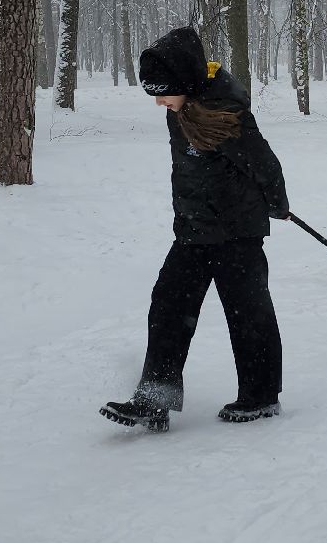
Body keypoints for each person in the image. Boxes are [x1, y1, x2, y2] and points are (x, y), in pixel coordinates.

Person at [101, 27, 290, 433]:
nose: (158, 102)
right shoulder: (181, 109)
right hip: (193, 229)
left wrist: (277, 204)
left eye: (163, 92)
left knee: (247, 312)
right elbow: (188, 174)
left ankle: (260, 395)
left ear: (186, 83)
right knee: (169, 304)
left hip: (237, 230)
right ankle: (156, 396)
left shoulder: (225, 113)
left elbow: (265, 165)